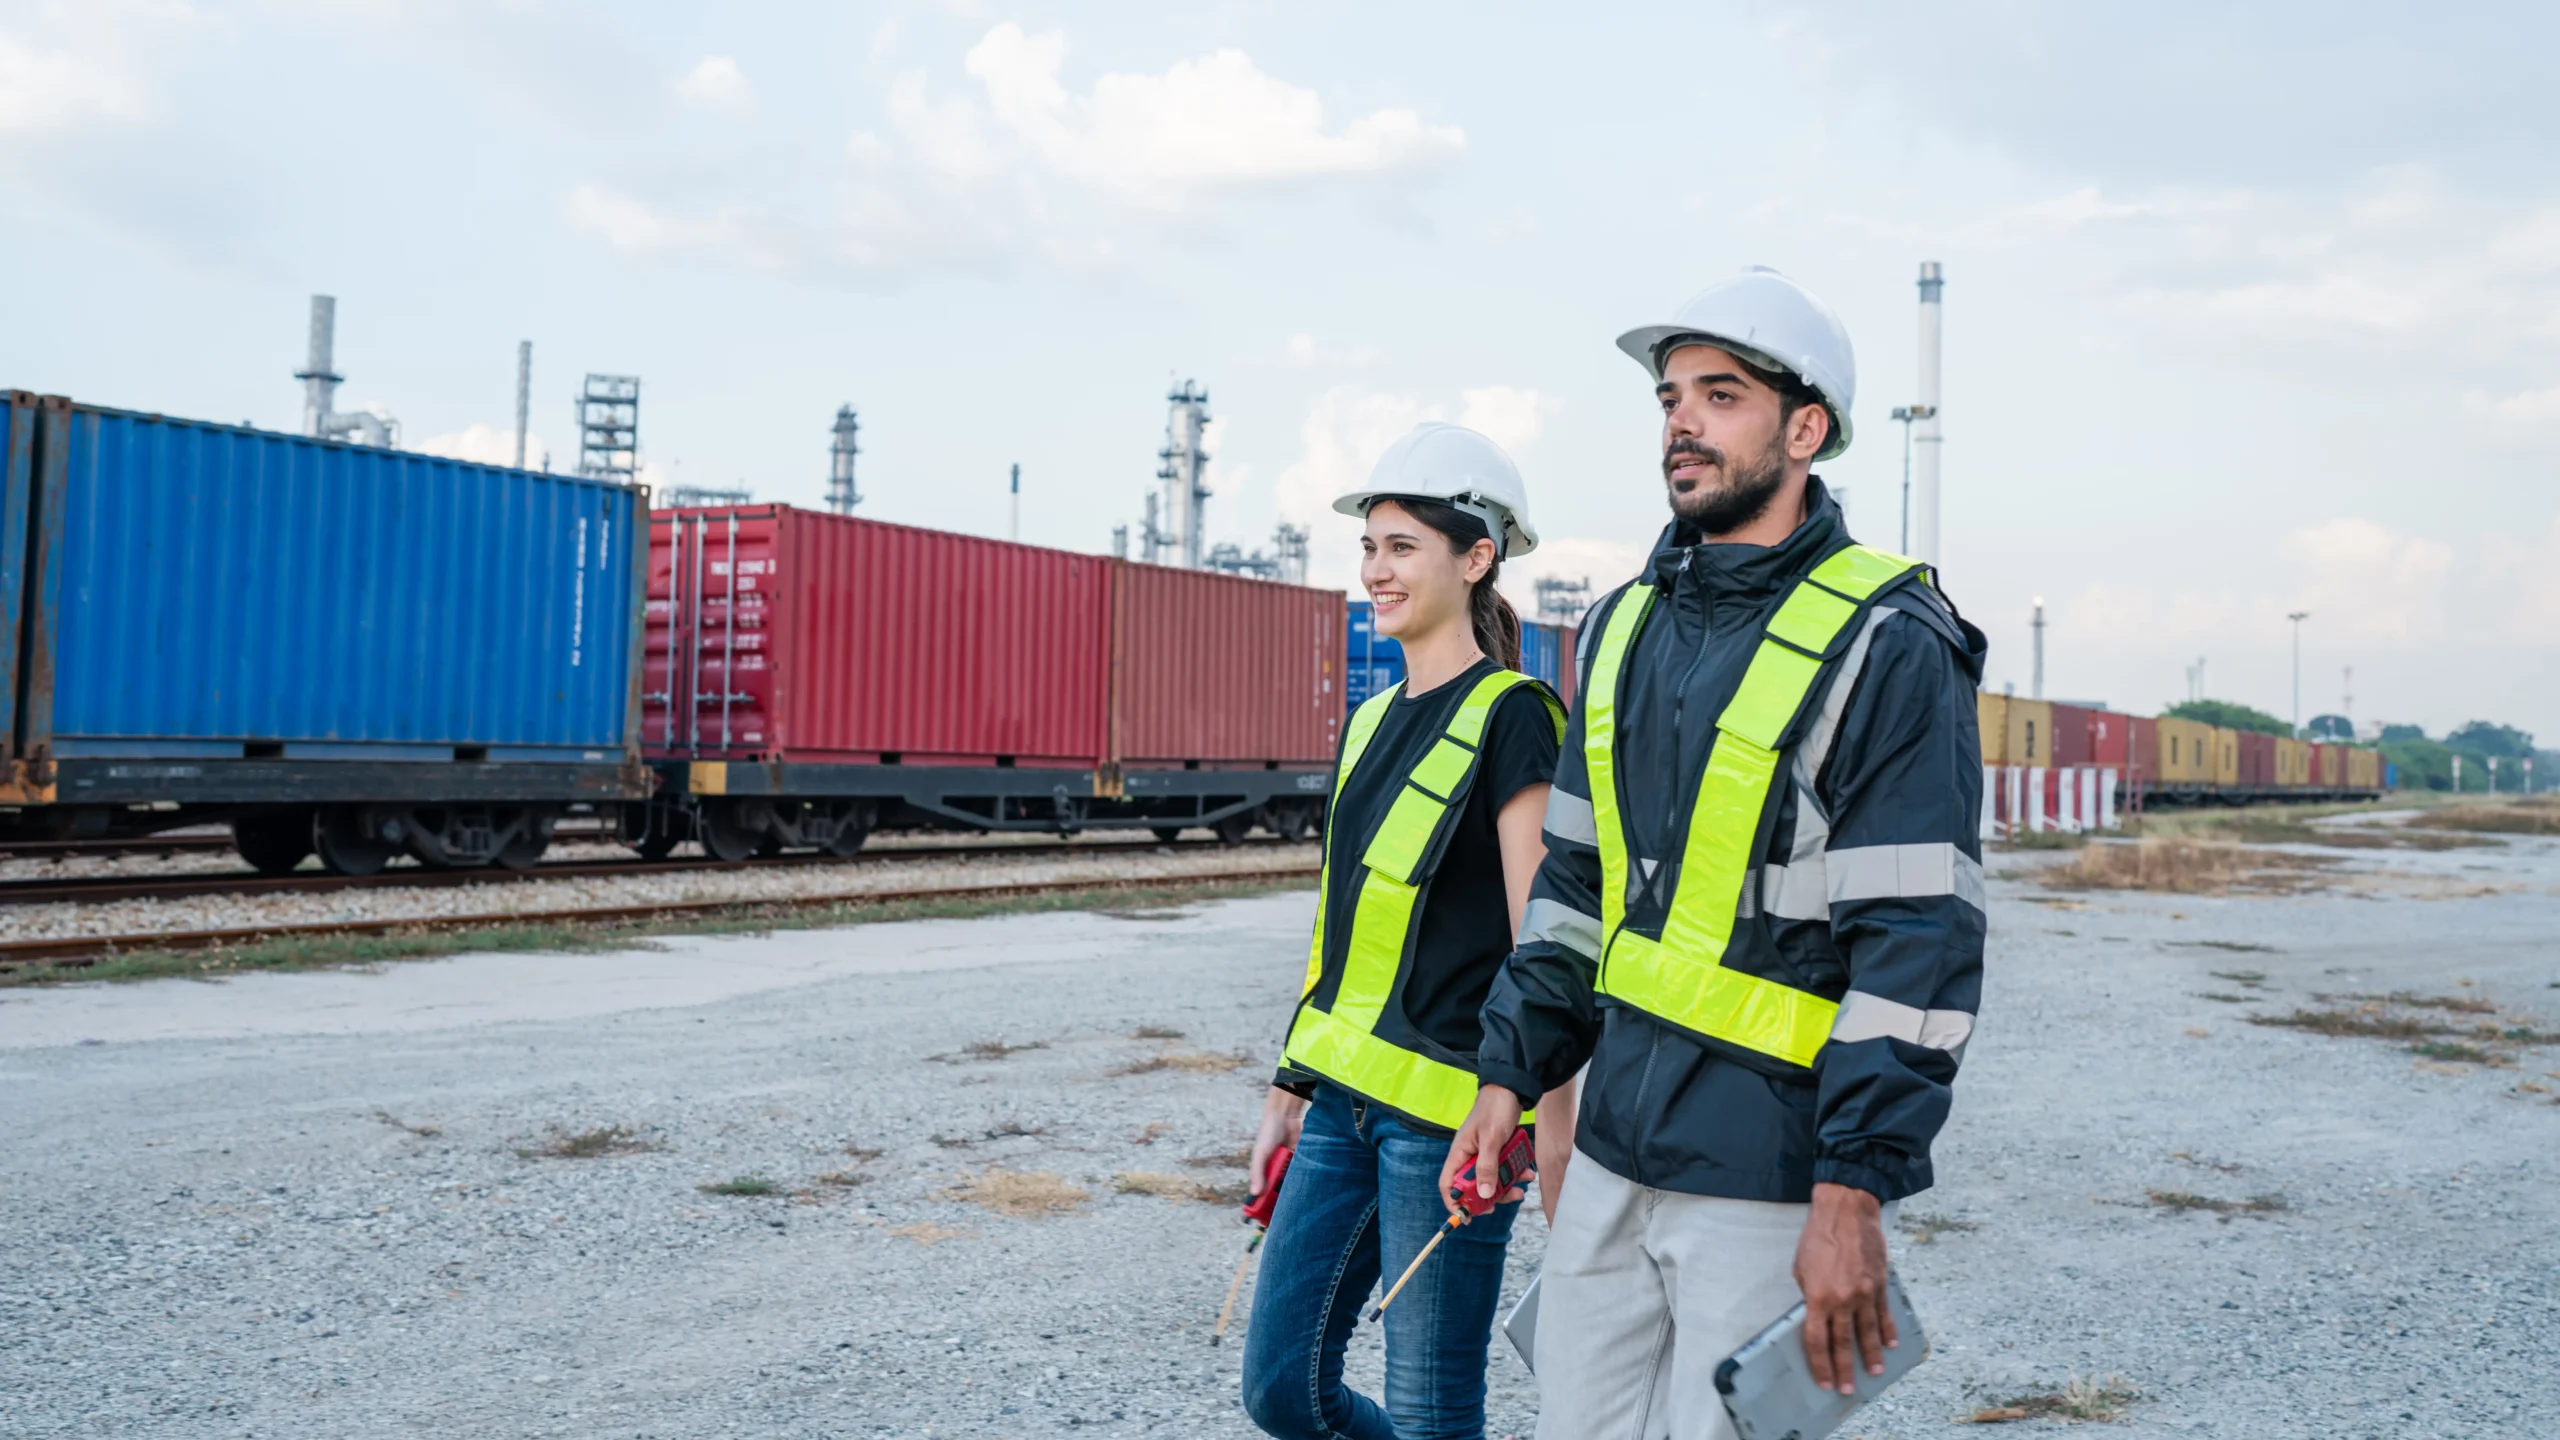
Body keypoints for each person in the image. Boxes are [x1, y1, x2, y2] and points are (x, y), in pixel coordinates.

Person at [1440, 268, 1988, 1439]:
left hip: (1767, 1172)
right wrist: (1510, 1073)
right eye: (1670, 397)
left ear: (1805, 429)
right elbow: (1572, 894)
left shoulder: (1887, 637)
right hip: (1613, 1154)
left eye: (1720, 395)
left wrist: (1853, 1189)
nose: (1681, 422)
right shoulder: (1621, 625)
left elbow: (1916, 943)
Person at [1240, 423, 1570, 1440]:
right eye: (1369, 548)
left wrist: (1538, 1125)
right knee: (1280, 1391)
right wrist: (1289, 1090)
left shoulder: (1516, 715)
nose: (1377, 572)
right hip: (1342, 1108)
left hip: (1449, 1122)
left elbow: (1542, 940)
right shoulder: (1372, 719)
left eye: (1403, 548)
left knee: (1434, 1411)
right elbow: (1341, 930)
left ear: (1477, 559)